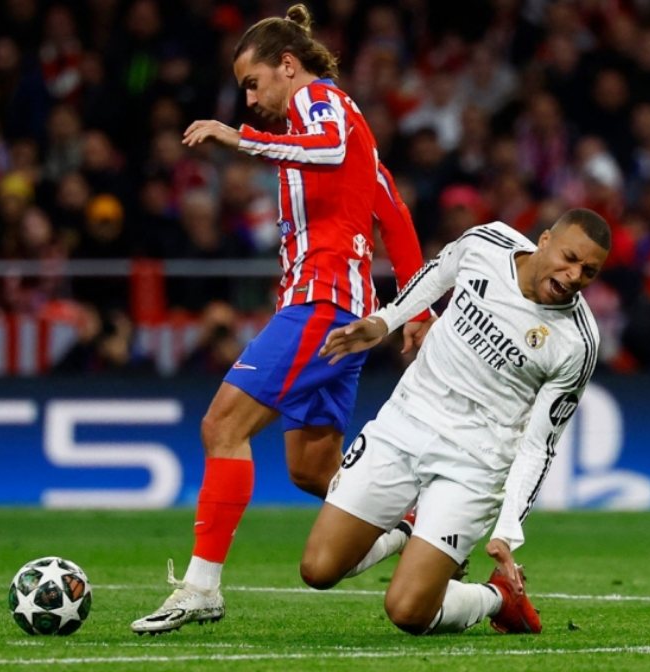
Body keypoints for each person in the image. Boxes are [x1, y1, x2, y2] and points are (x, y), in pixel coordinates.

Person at [131, 4, 431, 634]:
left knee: (222, 425)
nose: (250, 99)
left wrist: (238, 137)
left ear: (287, 65)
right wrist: (417, 308)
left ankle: (201, 588)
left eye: (253, 82)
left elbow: (326, 149)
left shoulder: (321, 103)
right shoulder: (345, 124)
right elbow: (393, 211)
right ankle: (413, 525)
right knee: (313, 470)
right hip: (339, 305)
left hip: (323, 301)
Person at [300, 209, 611, 636]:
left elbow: (540, 444)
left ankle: (500, 597)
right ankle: (407, 531)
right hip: (404, 422)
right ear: (544, 241)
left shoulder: (577, 342)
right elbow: (438, 274)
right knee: (318, 569)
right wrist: (385, 320)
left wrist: (508, 530)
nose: (574, 275)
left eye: (588, 271)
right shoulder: (487, 244)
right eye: (569, 258)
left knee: (408, 611)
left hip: (474, 463)